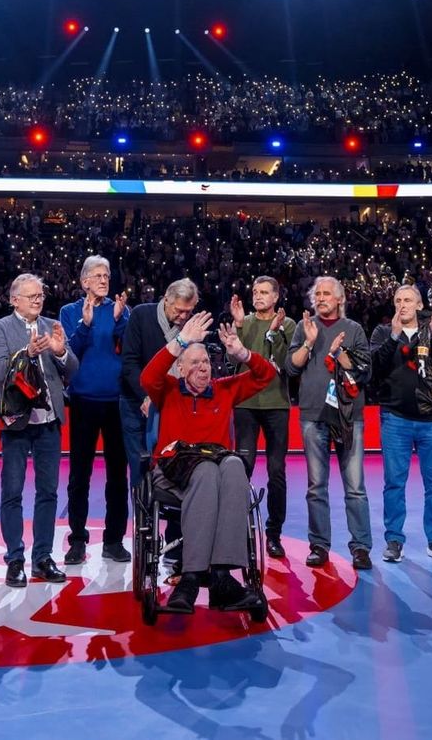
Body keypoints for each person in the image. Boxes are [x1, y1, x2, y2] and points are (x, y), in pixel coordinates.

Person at [143, 312, 274, 613]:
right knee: (206, 470)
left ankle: (222, 577)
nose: (203, 367)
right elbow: (147, 377)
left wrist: (242, 353)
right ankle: (191, 576)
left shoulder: (225, 389)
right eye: (194, 363)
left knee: (233, 465)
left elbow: (266, 376)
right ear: (180, 368)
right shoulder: (169, 390)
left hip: (215, 468)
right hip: (173, 470)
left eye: (206, 362)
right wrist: (181, 342)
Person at [0, 273, 78, 588]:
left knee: (48, 492)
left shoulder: (51, 325)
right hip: (16, 422)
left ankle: (42, 558)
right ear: (14, 300)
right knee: (12, 492)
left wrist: (61, 352)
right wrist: (28, 353)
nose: (38, 300)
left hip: (49, 422)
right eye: (31, 296)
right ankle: (15, 560)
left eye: (40, 295)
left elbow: (72, 369)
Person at [286, 276, 373, 570]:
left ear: (339, 299)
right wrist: (309, 343)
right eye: (318, 294)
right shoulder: (304, 327)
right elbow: (291, 367)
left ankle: (360, 547)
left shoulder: (354, 329)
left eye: (327, 294)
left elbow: (365, 371)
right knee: (316, 486)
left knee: (355, 487)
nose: (321, 298)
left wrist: (339, 353)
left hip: (348, 416)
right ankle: (319, 545)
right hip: (313, 414)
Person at [369, 284, 432, 565]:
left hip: (431, 419)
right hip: (395, 418)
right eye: (398, 300)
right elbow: (375, 368)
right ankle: (394, 540)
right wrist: (394, 336)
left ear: (419, 305)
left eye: (408, 300)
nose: (402, 305)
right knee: (394, 483)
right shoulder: (383, 332)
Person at [57, 255, 132, 565]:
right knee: (80, 475)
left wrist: (120, 320)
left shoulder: (121, 310)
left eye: (107, 275)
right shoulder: (69, 312)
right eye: (98, 275)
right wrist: (86, 325)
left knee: (118, 476)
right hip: (83, 401)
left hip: (117, 402)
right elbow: (68, 354)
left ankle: (114, 540)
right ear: (84, 281)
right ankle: (77, 540)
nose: (104, 280)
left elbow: (128, 351)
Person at [230, 276, 295, 559]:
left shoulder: (288, 324)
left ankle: (273, 534)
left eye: (264, 292)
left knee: (276, 471)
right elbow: (233, 361)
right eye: (255, 291)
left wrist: (276, 332)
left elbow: (285, 364)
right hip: (245, 404)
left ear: (276, 296)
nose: (258, 296)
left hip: (276, 404)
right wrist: (238, 326)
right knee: (241, 468)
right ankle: (238, 530)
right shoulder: (244, 322)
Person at [120, 278, 200, 479]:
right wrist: (147, 395)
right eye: (179, 310)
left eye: (188, 311)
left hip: (175, 403)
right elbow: (129, 363)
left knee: (177, 463)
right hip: (136, 401)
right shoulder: (141, 315)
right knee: (140, 465)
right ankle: (141, 500)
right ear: (166, 300)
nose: (184, 317)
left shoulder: (192, 325)